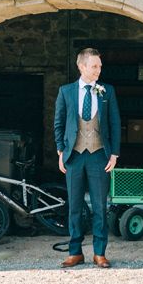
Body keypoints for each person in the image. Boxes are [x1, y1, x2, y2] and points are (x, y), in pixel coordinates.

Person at [54, 48, 121, 269]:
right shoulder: (66, 91)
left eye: (100, 66)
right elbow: (59, 123)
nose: (98, 70)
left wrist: (114, 153)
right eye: (94, 66)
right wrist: (61, 151)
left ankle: (99, 253)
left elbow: (114, 123)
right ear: (82, 66)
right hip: (73, 155)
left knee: (100, 207)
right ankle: (75, 252)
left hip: (99, 155)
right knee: (74, 206)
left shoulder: (107, 91)